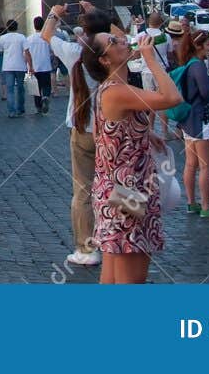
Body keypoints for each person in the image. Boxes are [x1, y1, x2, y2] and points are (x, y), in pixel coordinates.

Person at [80, 29, 183, 284]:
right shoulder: (116, 91)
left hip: (116, 190)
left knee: (113, 275)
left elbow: (104, 137)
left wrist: (144, 134)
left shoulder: (111, 90)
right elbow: (172, 97)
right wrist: (150, 59)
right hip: (127, 191)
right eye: (113, 42)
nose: (123, 41)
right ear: (105, 60)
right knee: (131, 279)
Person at [43, 1, 118, 268]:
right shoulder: (113, 52)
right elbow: (123, 38)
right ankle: (118, 243)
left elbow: (46, 35)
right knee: (115, 186)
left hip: (81, 127)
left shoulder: (75, 52)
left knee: (83, 191)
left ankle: (86, 249)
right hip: (112, 129)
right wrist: (97, 12)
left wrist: (55, 13)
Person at [171, 28, 209, 218]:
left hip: (188, 119)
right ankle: (206, 206)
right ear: (199, 46)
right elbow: (205, 92)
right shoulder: (198, 66)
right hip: (200, 118)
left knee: (190, 164)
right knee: (205, 166)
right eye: (208, 44)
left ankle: (191, 202)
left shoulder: (189, 64)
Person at [27, 16, 54, 115]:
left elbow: (26, 53)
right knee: (46, 85)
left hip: (34, 66)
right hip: (45, 65)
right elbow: (52, 50)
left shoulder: (29, 38)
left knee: (36, 88)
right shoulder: (47, 38)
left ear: (34, 26)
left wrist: (29, 66)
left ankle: (38, 107)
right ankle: (46, 97)